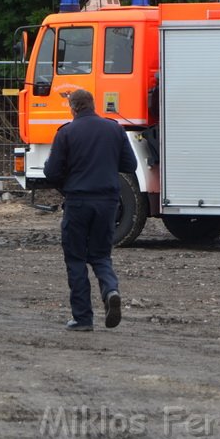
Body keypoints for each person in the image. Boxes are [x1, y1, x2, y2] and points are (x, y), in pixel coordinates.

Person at [44, 88, 137, 331]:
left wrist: (66, 184)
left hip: (78, 201)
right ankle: (110, 290)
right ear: (93, 105)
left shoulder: (66, 133)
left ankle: (83, 318)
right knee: (100, 255)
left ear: (72, 108)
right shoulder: (114, 129)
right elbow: (130, 164)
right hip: (107, 202)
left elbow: (52, 172)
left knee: (75, 258)